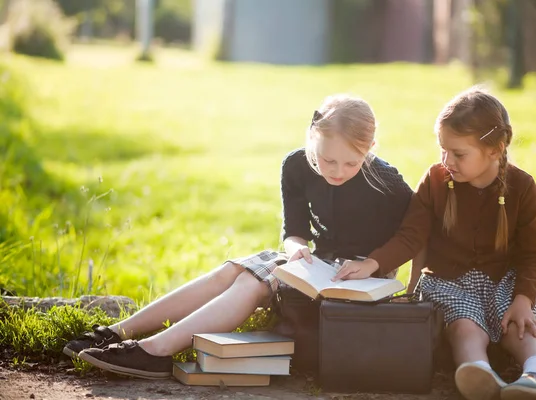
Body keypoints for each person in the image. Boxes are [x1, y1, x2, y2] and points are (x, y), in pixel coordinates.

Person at [65, 94, 413, 379]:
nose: (337, 171)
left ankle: (155, 350)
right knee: (231, 271)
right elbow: (293, 231)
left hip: (358, 283)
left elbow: (414, 234)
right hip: (314, 266)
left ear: (368, 150)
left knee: (253, 283)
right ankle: (118, 332)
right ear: (312, 140)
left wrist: (373, 262)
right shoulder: (296, 166)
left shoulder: (387, 182)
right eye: (327, 160)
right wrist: (295, 249)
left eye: (350, 164)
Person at [332, 88, 536, 400]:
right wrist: (372, 263)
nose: (447, 160)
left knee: (521, 326)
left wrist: (523, 299)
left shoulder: (522, 187)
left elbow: (532, 253)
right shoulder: (436, 180)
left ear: (495, 149)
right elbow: (410, 235)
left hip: (508, 281)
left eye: (458, 153)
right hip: (449, 281)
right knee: (463, 326)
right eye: (443, 150)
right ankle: (477, 373)